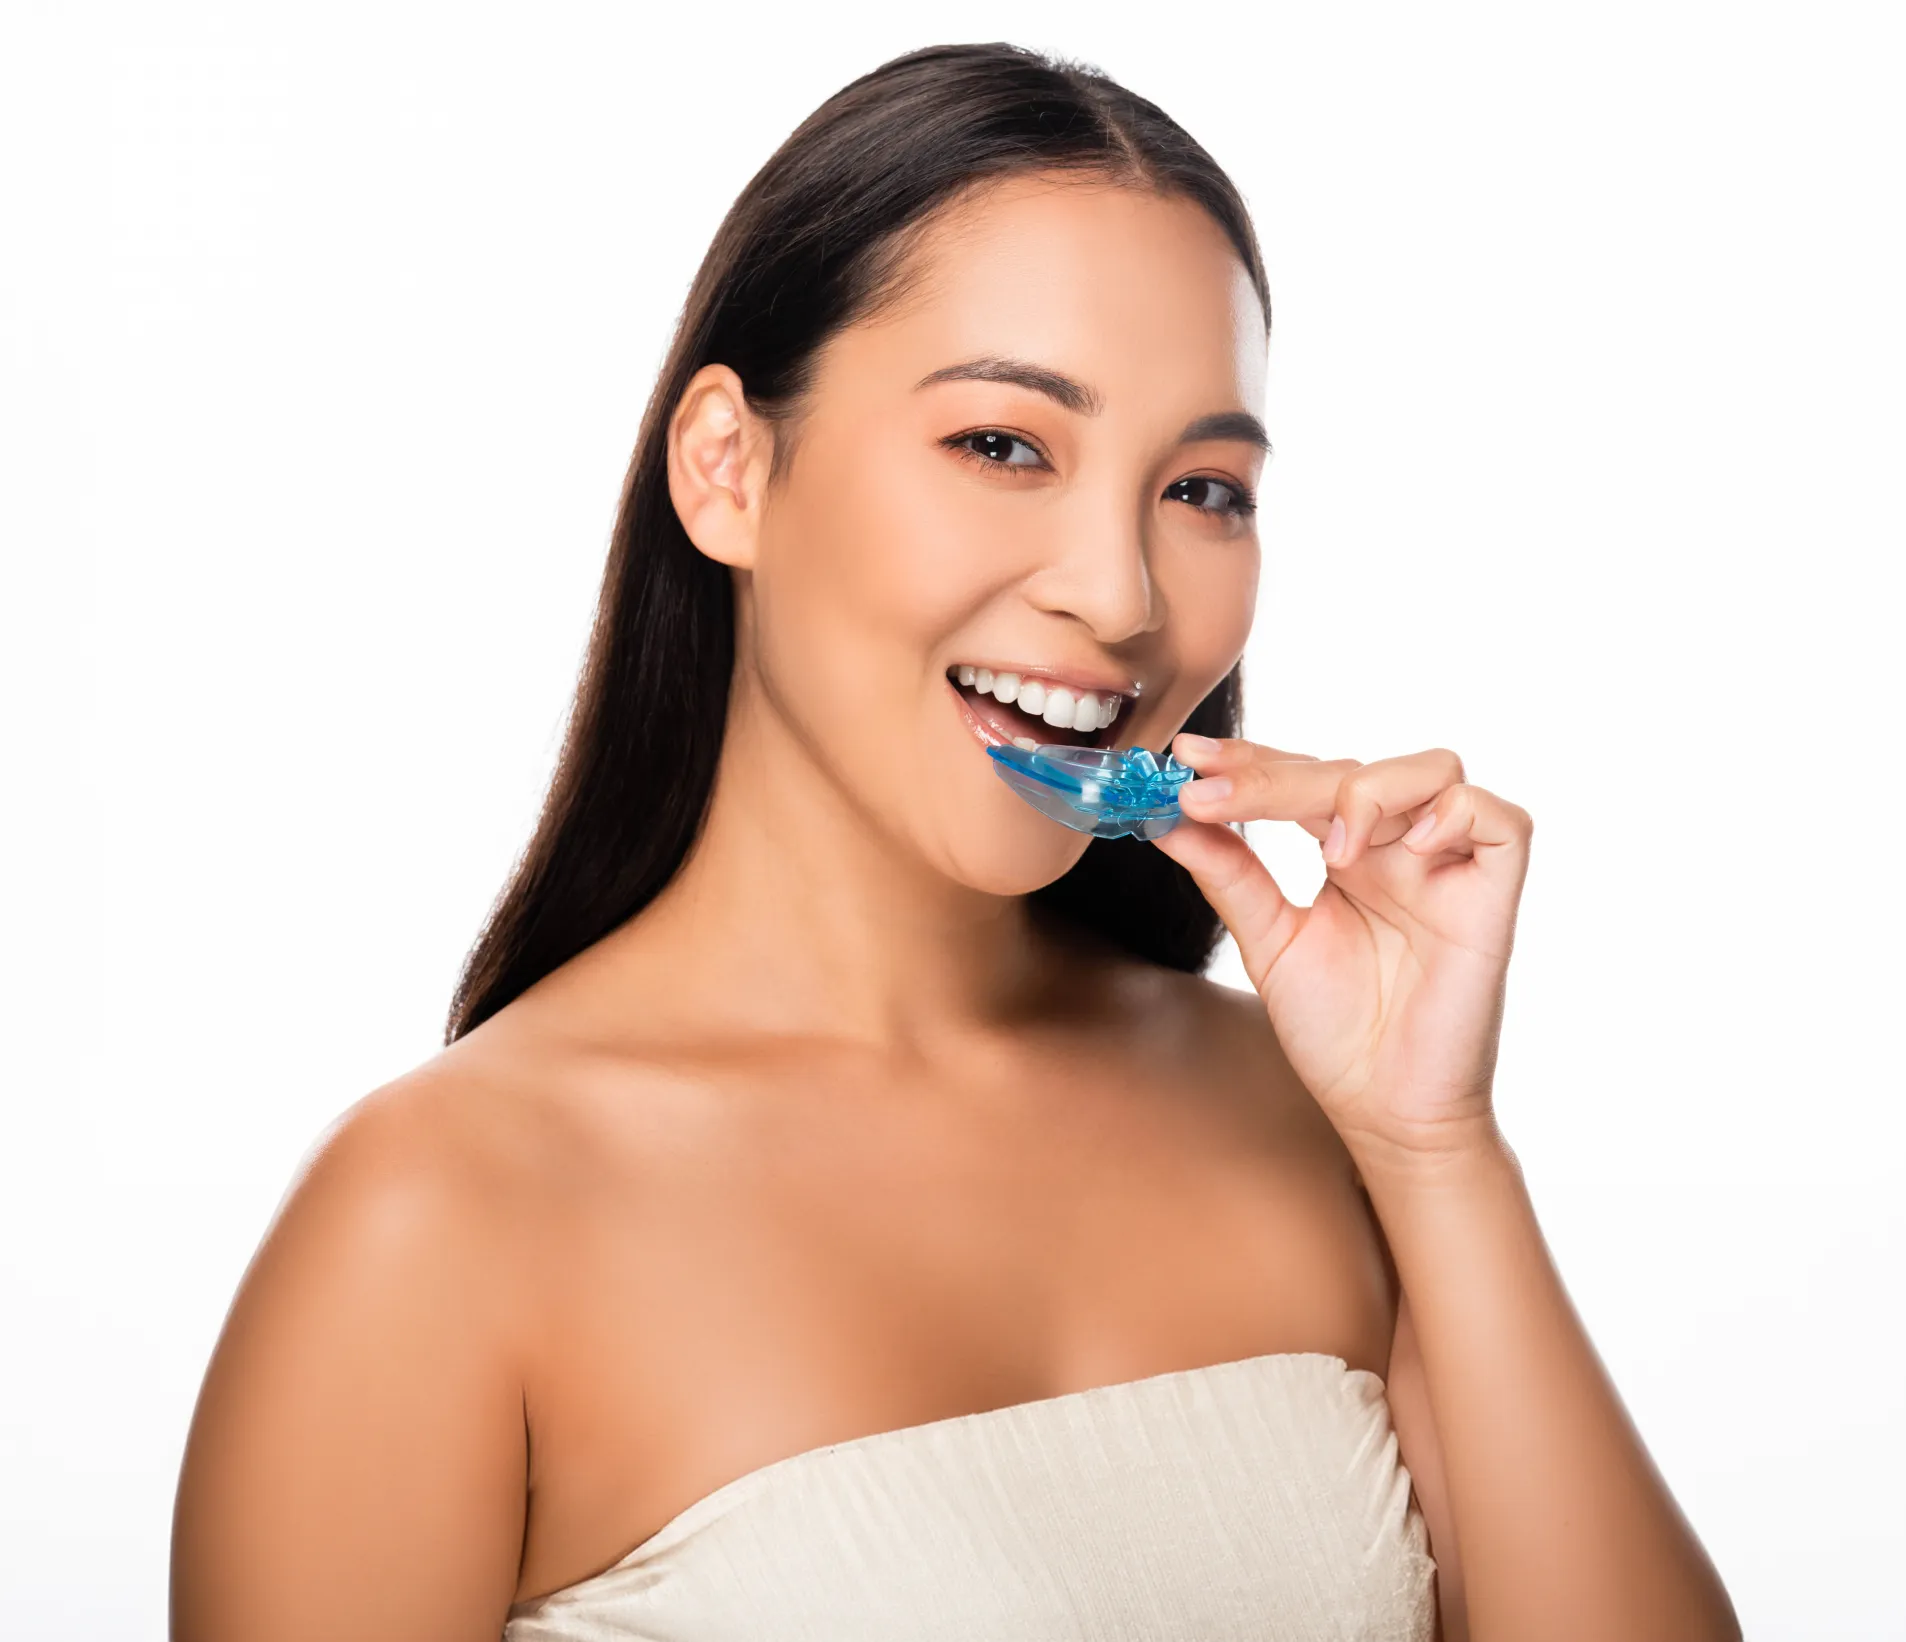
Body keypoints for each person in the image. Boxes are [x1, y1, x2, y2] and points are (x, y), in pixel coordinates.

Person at [169, 41, 1742, 1642]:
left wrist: (1435, 1150)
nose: (1121, 596)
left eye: (1202, 488)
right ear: (728, 467)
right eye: (1002, 445)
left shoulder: (1314, 1117)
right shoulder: (437, 1221)